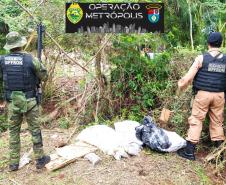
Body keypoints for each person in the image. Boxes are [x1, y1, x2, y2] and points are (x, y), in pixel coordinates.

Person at [0, 31, 50, 171]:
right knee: (34, 130)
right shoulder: (31, 59)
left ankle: (13, 163)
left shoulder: (2, 60)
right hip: (30, 101)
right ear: (21, 44)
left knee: (13, 132)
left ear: (9, 46)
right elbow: (44, 76)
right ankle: (40, 159)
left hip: (12, 102)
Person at [177, 32, 225, 160]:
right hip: (219, 95)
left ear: (208, 44)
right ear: (221, 44)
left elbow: (188, 78)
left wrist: (180, 86)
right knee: (217, 123)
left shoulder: (201, 58)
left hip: (202, 95)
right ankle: (219, 155)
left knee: (196, 120)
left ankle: (189, 152)